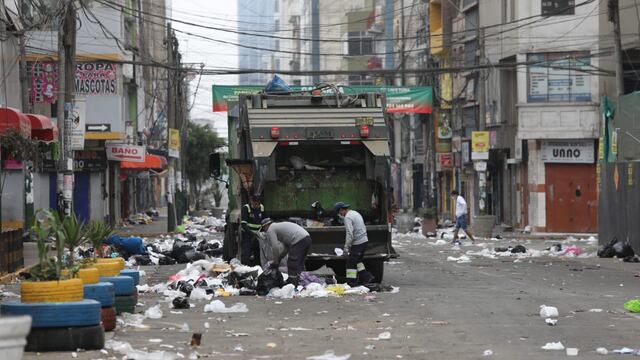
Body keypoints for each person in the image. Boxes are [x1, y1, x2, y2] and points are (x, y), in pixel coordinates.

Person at [260, 218, 312, 285]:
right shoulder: (280, 228)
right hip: (307, 239)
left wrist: (275, 262)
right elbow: (286, 247)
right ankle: (300, 281)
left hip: (299, 240)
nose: (265, 231)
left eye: (264, 229)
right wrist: (279, 258)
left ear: (266, 226)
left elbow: (275, 247)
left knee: (292, 262)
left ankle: (292, 283)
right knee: (299, 263)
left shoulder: (271, 228)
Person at [334, 202, 375, 286]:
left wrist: (346, 247)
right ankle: (366, 276)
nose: (340, 214)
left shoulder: (348, 217)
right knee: (358, 261)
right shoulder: (355, 213)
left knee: (351, 262)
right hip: (364, 241)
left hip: (358, 242)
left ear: (342, 210)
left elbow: (349, 233)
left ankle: (351, 282)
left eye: (339, 212)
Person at [240, 194, 265, 265]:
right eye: (255, 203)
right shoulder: (246, 208)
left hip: (258, 233)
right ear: (251, 201)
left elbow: (264, 220)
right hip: (247, 233)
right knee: (246, 252)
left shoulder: (262, 207)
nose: (257, 206)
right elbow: (243, 224)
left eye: (258, 204)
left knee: (258, 251)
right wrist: (252, 234)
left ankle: (257, 267)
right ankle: (244, 268)